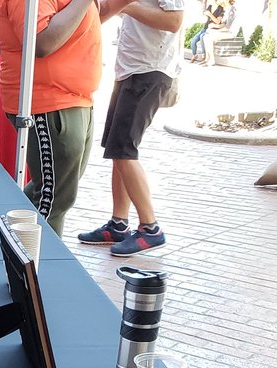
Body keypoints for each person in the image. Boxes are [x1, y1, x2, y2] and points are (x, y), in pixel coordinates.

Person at [76, 0, 184, 257]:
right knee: (117, 150)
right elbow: (101, 15)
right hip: (129, 71)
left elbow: (174, 21)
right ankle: (118, 224)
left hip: (150, 71)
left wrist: (126, 6)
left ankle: (151, 228)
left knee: (124, 150)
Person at [0, 0, 102, 238]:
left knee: (52, 191)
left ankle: (13, 252)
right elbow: (40, 41)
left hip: (73, 99)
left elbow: (76, 23)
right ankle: (34, 270)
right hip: (47, 101)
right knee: (53, 198)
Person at [201, 0, 236, 66]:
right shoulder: (226, 9)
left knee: (209, 37)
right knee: (205, 36)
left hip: (229, 33)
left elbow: (227, 27)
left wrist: (216, 27)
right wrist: (216, 26)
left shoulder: (232, 11)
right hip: (224, 31)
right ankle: (208, 59)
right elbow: (223, 24)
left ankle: (211, 60)